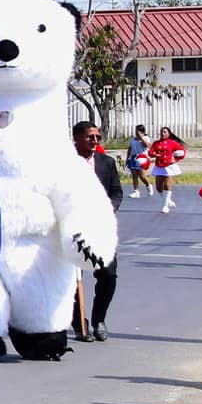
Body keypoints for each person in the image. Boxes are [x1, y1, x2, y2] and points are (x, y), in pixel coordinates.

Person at [70, 121, 121, 342]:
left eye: (97, 137)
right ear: (77, 138)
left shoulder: (107, 163)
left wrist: (110, 207)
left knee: (108, 275)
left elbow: (117, 191)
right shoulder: (64, 162)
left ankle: (99, 320)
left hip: (100, 228)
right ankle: (79, 324)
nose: (95, 141)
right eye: (90, 137)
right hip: (71, 229)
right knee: (72, 279)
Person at [148, 126, 187, 213]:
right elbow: (150, 152)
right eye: (161, 131)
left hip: (169, 166)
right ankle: (168, 200)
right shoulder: (156, 143)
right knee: (158, 187)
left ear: (169, 133)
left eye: (165, 132)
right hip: (159, 165)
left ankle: (165, 206)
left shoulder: (172, 143)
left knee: (167, 185)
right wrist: (155, 154)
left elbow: (183, 152)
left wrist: (175, 159)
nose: (163, 133)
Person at [126, 124, 151, 198]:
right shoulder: (133, 139)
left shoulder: (146, 138)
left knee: (142, 175)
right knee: (134, 175)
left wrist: (141, 137)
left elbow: (147, 145)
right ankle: (136, 191)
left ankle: (148, 185)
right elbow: (130, 149)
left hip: (142, 158)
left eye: (137, 130)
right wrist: (127, 158)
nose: (136, 132)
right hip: (134, 157)